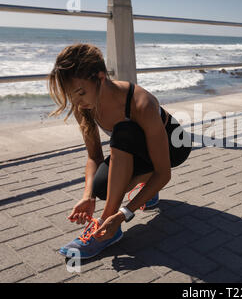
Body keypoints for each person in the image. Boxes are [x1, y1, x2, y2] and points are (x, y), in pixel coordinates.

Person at [48, 43, 192, 259]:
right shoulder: (84, 106)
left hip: (174, 148)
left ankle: (107, 228)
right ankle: (148, 191)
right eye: (72, 96)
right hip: (138, 148)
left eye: (80, 92)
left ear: (101, 76)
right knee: (100, 187)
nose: (77, 102)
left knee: (123, 132)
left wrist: (123, 214)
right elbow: (94, 157)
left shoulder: (141, 103)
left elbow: (164, 173)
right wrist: (88, 197)